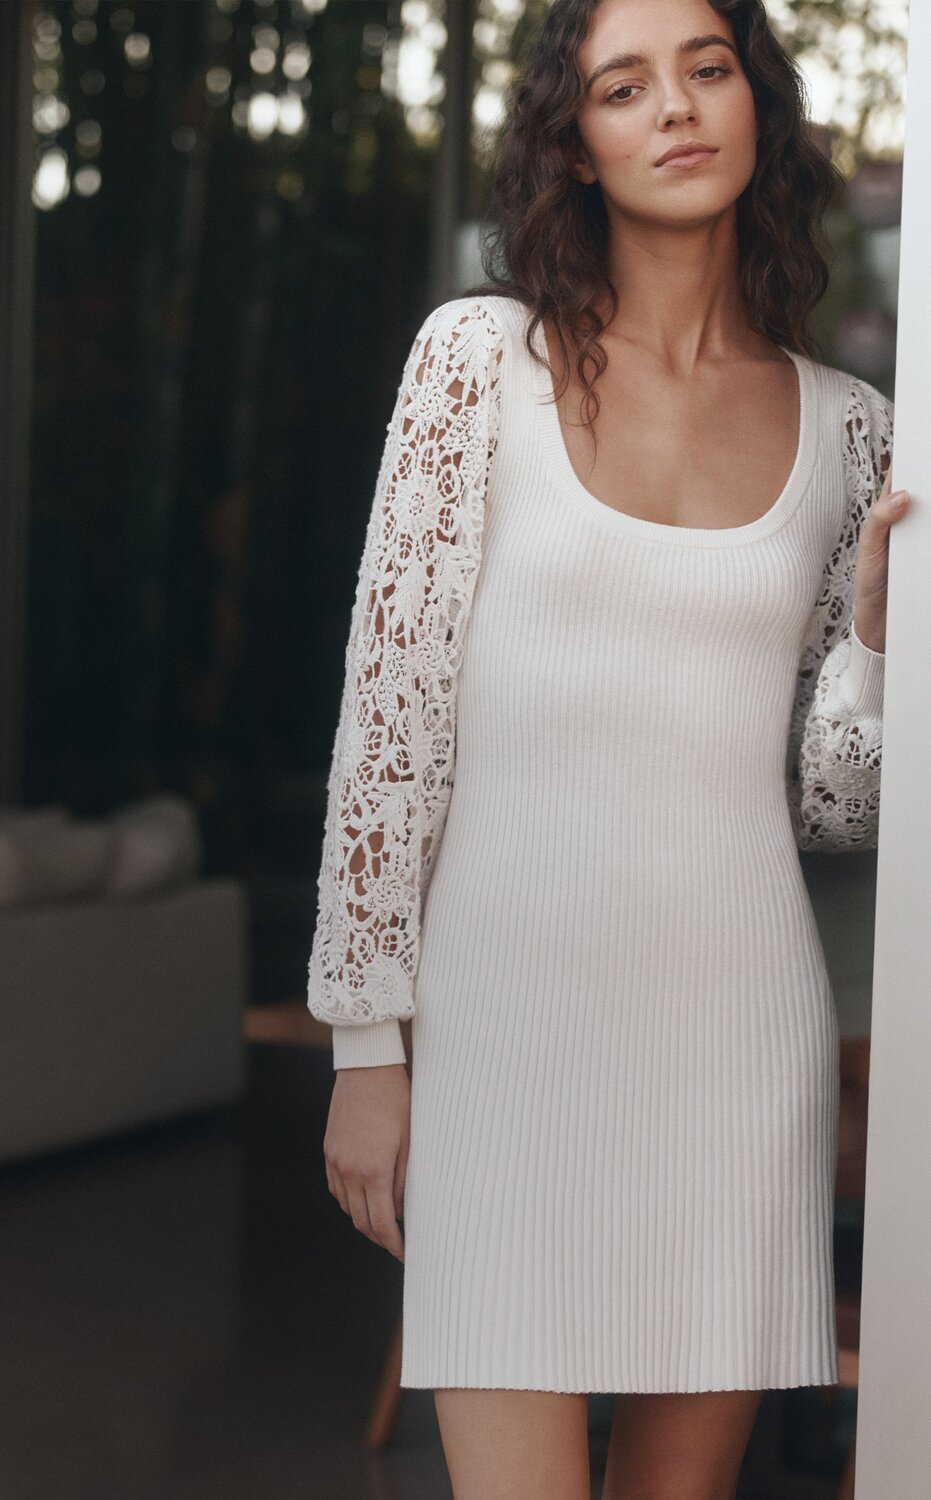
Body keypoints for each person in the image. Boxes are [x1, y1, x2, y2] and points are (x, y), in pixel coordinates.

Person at [308, 0, 907, 1495]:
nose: (677, 108)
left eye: (707, 69)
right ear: (575, 146)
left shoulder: (855, 434)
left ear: (755, 101)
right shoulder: (477, 364)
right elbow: (390, 726)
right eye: (623, 87)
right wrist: (367, 1048)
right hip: (503, 1032)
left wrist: (882, 649)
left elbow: (831, 803)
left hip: (737, 1042)